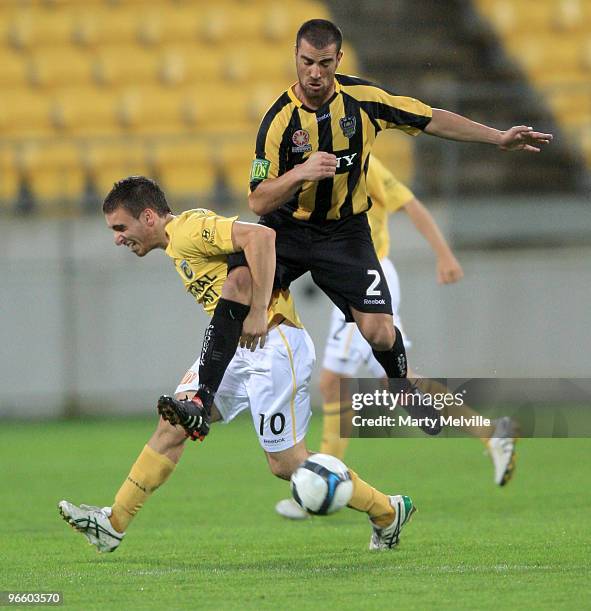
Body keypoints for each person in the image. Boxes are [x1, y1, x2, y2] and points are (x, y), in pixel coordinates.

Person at [58, 176, 416, 553]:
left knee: (285, 463)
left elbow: (260, 238)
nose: (117, 238)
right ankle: (112, 524)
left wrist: (260, 309)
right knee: (173, 423)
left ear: (148, 217)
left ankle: (388, 511)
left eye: (120, 227)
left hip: (275, 343)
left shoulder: (188, 229)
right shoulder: (175, 246)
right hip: (236, 348)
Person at [247, 19, 552, 433]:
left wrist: (497, 137)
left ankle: (402, 387)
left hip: (345, 232)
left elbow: (431, 118)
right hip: (287, 229)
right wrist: (299, 175)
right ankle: (201, 393)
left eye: (323, 63)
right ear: (295, 59)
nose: (315, 73)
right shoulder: (277, 121)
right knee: (240, 294)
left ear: (338, 59)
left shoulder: (365, 101)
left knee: (381, 333)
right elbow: (258, 199)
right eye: (306, 63)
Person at [275, 157, 517, 520]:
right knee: (395, 380)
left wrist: (444, 254)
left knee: (332, 382)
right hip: (357, 276)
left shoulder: (360, 164)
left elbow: (410, 204)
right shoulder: (317, 166)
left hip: (367, 277)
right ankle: (490, 432)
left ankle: (317, 484)